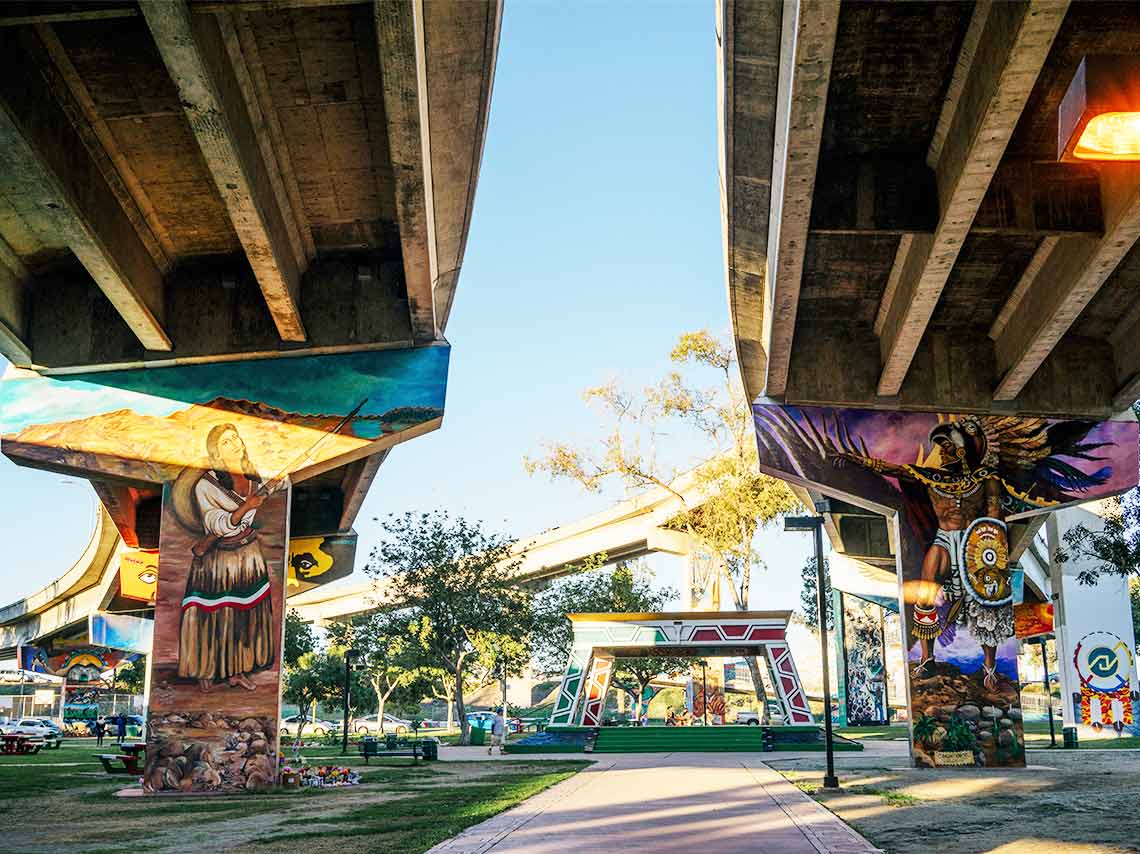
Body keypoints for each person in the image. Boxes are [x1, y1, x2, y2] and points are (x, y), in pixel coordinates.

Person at [173, 424, 285, 692]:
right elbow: (217, 524)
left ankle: (236, 670)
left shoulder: (255, 481)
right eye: (226, 441)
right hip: (217, 559)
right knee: (213, 613)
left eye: (235, 437)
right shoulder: (206, 485)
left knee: (244, 614)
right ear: (216, 452)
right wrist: (247, 506)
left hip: (248, 555)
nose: (234, 443)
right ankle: (206, 670)